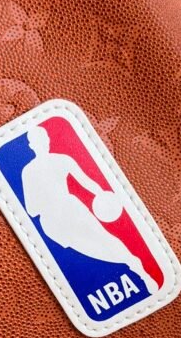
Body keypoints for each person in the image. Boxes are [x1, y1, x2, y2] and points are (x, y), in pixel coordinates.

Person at [21, 125, 157, 294]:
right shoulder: (34, 170)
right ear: (33, 145)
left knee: (104, 240)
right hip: (56, 222)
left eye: (45, 139)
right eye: (41, 140)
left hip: (68, 212)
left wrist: (102, 196)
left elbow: (85, 183)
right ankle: (135, 267)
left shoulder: (52, 163)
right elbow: (32, 210)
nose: (44, 143)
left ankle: (139, 270)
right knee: (97, 246)